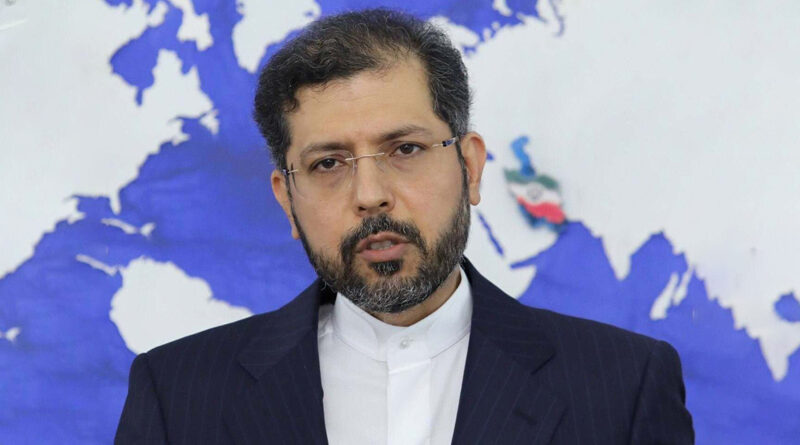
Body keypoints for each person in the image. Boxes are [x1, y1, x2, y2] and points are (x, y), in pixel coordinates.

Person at [115, 8, 694, 445]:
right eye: (328, 164)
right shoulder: (177, 396)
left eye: (406, 149)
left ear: (469, 167)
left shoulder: (624, 388)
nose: (370, 195)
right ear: (287, 200)